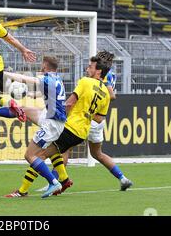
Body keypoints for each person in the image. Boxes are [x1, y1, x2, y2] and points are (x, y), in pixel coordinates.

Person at [0, 56, 69, 198]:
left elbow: (28, 80)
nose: (40, 67)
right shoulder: (56, 78)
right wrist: (30, 94)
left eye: (41, 65)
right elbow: (42, 92)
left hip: (52, 123)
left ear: (45, 66)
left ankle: (53, 182)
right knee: (22, 109)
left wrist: (5, 74)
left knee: (30, 155)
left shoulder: (47, 79)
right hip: (51, 117)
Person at [37, 63, 132, 193]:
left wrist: (88, 107)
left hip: (85, 118)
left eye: (90, 66)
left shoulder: (100, 76)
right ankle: (122, 178)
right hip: (95, 119)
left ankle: (54, 182)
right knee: (97, 153)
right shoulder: (107, 72)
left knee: (61, 150)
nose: (88, 68)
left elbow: (112, 95)